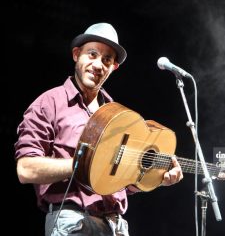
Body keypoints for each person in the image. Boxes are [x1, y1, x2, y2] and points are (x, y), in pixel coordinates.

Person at [14, 22, 183, 236]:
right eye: (91, 54)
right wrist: (84, 164)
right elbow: (25, 169)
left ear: (114, 67)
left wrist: (157, 179)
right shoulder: (49, 102)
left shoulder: (117, 114)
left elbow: (120, 179)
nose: (98, 64)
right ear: (76, 55)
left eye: (107, 59)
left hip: (116, 226)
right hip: (72, 222)